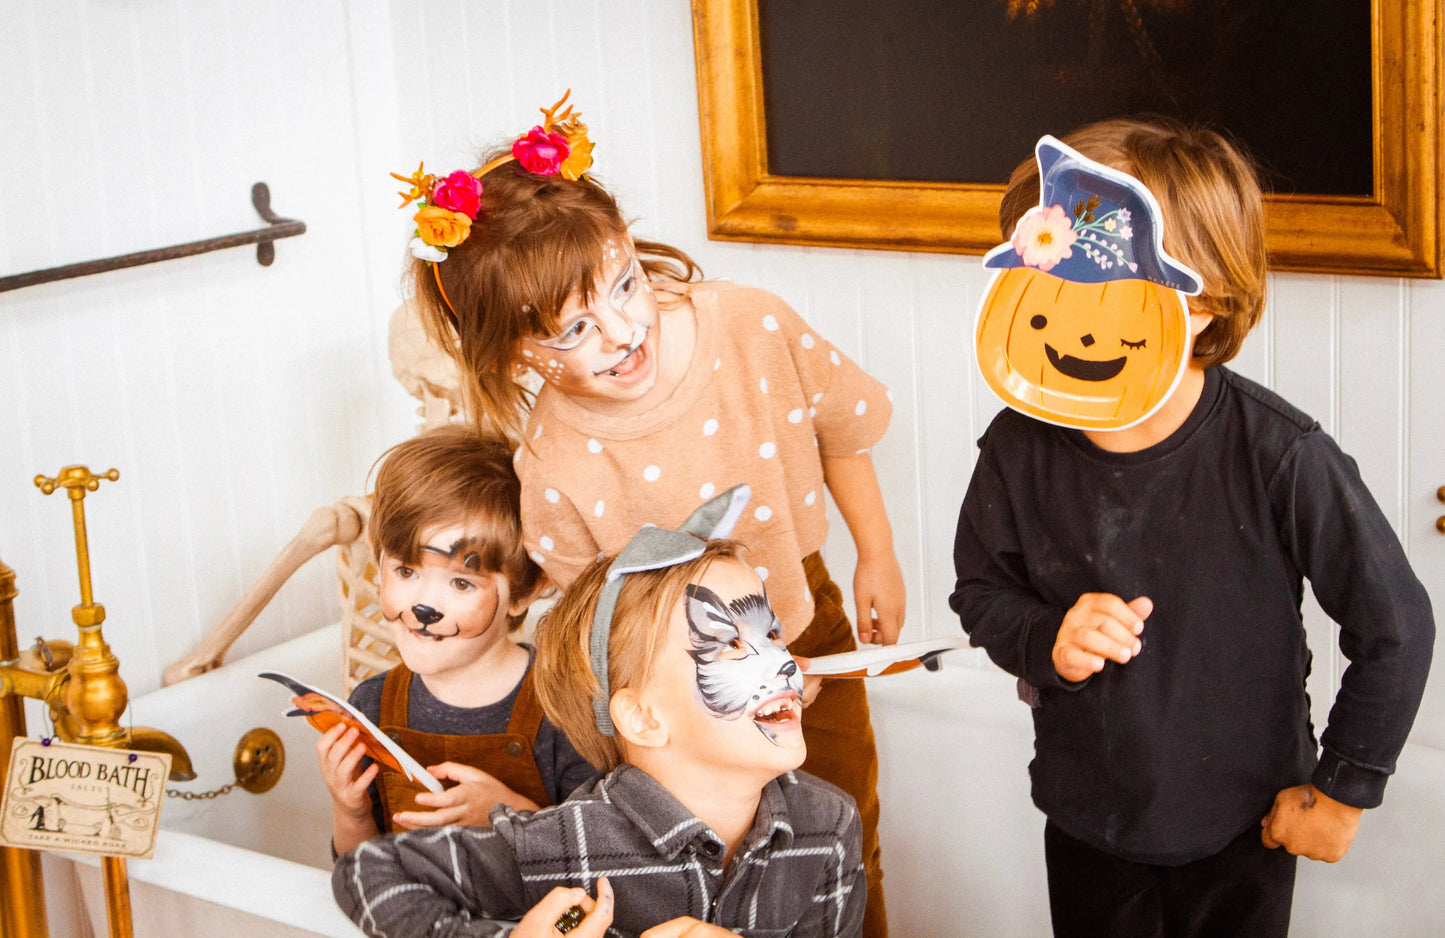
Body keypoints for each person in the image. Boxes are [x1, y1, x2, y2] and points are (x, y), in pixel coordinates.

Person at [396, 92, 902, 935]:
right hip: (673, 695)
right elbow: (593, 634)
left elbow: (844, 427)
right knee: (698, 880)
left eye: (624, 284)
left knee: (842, 840)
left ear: (629, 246)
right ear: (515, 355)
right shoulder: (551, 466)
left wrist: (875, 553)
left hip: (802, 617)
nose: (621, 331)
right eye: (572, 331)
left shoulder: (749, 324)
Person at [950, 117, 1435, 938]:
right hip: (1087, 818)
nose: (1077, 323)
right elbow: (981, 592)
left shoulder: (1280, 454)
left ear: (1206, 307)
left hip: (1243, 824)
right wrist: (1046, 637)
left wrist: (1342, 792)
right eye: (1049, 288)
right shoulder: (1016, 447)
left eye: (1108, 296)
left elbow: (1395, 625)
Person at [331, 491, 866, 937]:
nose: (783, 663)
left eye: (771, 634)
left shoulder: (829, 827)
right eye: (729, 644)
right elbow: (367, 871)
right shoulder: (565, 843)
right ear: (643, 718)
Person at [318, 425, 595, 856]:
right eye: (406, 571)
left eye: (462, 583)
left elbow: (601, 859)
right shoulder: (371, 707)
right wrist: (350, 811)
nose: (424, 606)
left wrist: (512, 815)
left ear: (523, 592)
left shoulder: (567, 708)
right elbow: (358, 870)